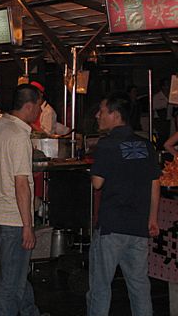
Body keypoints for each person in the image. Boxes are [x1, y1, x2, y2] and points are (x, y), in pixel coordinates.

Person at [87, 91, 161, 316]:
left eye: (102, 110)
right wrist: (152, 219)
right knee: (139, 287)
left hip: (112, 226)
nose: (98, 115)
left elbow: (97, 183)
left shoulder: (107, 145)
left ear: (115, 115)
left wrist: (95, 168)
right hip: (138, 226)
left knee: (100, 287)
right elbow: (154, 183)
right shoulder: (146, 145)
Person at [0, 84, 44, 316]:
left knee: (15, 271)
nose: (39, 111)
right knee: (11, 282)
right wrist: (28, 226)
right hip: (13, 217)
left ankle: (30, 312)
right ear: (28, 106)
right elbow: (21, 184)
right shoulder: (19, 136)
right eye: (38, 106)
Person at [153, 78, 172, 149]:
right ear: (163, 86)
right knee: (160, 139)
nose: (168, 87)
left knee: (168, 138)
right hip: (159, 121)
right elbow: (153, 108)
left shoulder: (171, 96)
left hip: (168, 120)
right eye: (166, 85)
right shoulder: (157, 97)